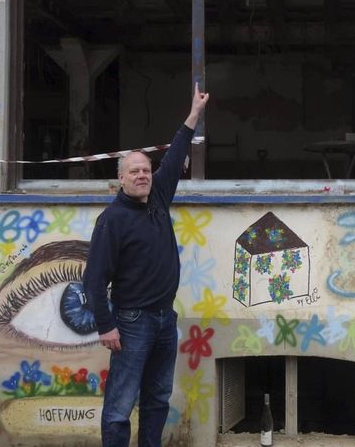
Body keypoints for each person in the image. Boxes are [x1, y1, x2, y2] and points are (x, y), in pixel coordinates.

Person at [83, 83, 209, 447]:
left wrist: (194, 115)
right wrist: (106, 326)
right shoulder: (112, 220)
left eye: (145, 170)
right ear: (120, 180)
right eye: (134, 171)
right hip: (132, 321)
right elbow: (94, 280)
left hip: (164, 318)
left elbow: (175, 156)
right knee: (121, 405)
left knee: (157, 399)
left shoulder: (157, 198)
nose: (142, 175)